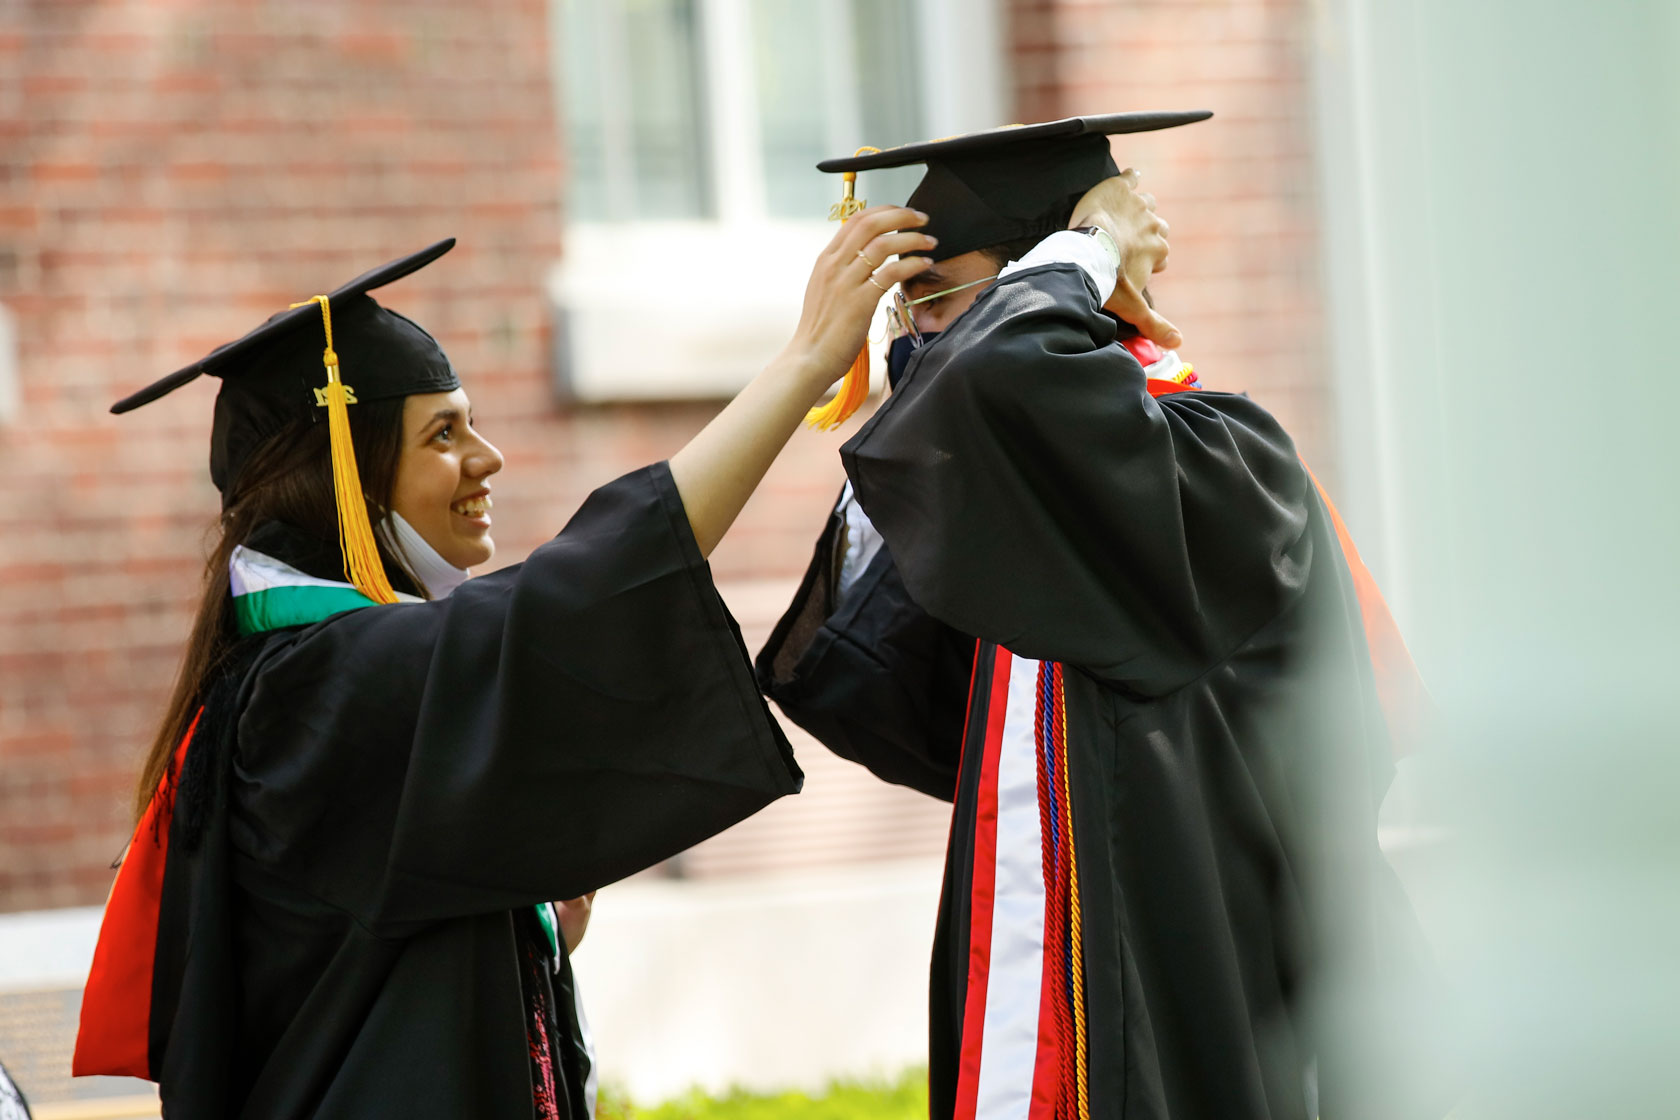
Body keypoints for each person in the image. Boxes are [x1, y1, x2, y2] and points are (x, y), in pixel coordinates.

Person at [71, 215, 935, 1119]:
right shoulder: (308, 689)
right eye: (443, 435)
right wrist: (802, 364)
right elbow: (580, 600)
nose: (488, 460)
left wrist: (531, 931)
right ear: (347, 478)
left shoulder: (305, 677)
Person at [757, 113, 1445, 1120]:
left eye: (935, 301)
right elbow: (878, 675)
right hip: (1082, 943)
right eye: (905, 316)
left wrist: (1085, 250)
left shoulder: (1210, 454)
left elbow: (1001, 379)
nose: (917, 342)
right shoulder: (1043, 496)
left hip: (1209, 958)